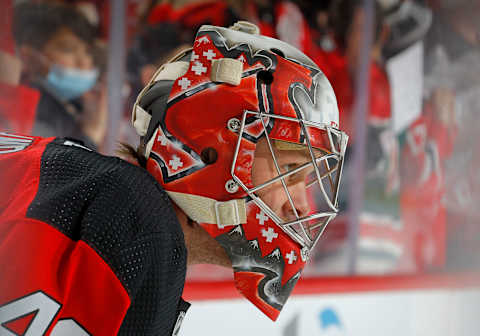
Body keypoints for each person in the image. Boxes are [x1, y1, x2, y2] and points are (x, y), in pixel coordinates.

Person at [0, 22, 348, 335]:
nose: (303, 206)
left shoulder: (93, 191)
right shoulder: (136, 228)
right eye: (288, 170)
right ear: (207, 152)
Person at [12, 2, 107, 150]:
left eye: (87, 52)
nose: (85, 62)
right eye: (68, 49)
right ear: (29, 57)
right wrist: (91, 133)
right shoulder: (29, 111)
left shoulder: (75, 104)